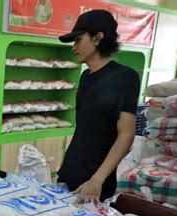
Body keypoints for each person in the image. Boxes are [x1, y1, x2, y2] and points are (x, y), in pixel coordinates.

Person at [57, 10, 140, 203]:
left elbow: (126, 135)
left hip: (96, 180)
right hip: (70, 170)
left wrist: (97, 179)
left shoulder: (125, 77)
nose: (74, 47)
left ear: (98, 38)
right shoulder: (86, 76)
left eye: (78, 40)